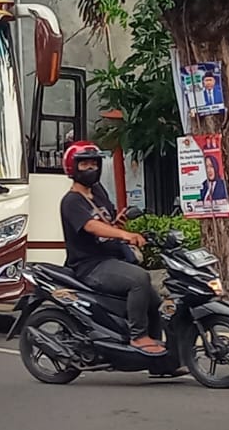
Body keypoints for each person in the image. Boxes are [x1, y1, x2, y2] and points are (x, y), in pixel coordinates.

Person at [59, 141, 165, 356]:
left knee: (154, 300)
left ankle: (157, 358)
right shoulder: (71, 201)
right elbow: (92, 226)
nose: (91, 169)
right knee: (138, 279)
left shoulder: (98, 191)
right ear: (72, 168)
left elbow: (106, 223)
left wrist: (118, 225)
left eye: (94, 164)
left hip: (111, 258)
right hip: (91, 265)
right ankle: (138, 336)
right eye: (84, 165)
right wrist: (124, 235)